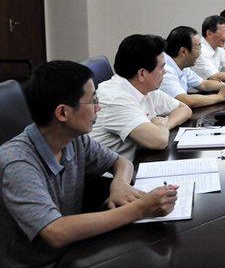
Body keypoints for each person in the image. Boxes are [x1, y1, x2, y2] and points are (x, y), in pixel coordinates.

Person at [0, 61, 178, 267]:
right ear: (63, 113)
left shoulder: (74, 139)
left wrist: (120, 184)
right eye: (92, 101)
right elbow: (55, 232)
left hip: (74, 250)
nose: (98, 108)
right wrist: (141, 209)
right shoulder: (17, 162)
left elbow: (120, 161)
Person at [90, 34, 192, 160]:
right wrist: (159, 125)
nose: (165, 72)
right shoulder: (116, 99)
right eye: (162, 67)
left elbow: (184, 109)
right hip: (114, 171)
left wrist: (164, 125)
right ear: (142, 74)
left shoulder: (146, 88)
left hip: (138, 160)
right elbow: (159, 141)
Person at [162, 26, 225, 108]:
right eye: (198, 48)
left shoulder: (182, 65)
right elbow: (186, 100)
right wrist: (220, 97)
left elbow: (204, 84)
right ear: (183, 51)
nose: (200, 52)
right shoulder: (165, 70)